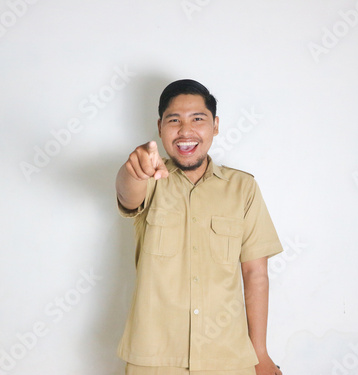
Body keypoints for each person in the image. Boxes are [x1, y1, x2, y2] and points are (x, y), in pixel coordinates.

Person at [115, 79, 284, 375]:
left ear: (215, 125)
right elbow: (127, 193)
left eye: (197, 119)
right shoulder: (150, 179)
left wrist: (259, 354)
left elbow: (255, 273)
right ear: (159, 127)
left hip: (229, 359)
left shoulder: (243, 188)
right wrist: (135, 168)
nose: (185, 130)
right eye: (174, 120)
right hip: (153, 359)